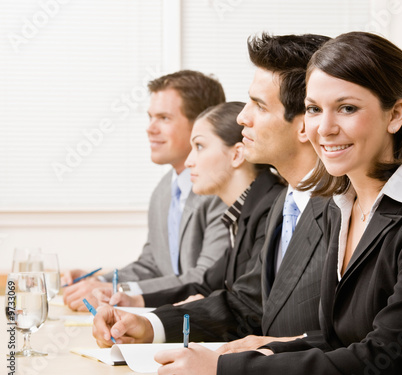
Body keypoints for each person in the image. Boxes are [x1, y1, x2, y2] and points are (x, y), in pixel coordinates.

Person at [152, 32, 402, 375]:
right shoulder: (342, 206)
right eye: (315, 109)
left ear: (394, 115)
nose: (325, 128)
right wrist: (266, 349)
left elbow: (382, 360)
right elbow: (340, 338)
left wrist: (224, 372)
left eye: (347, 108)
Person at [91, 33, 331, 348]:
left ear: (306, 121)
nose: (242, 117)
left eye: (258, 105)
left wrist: (258, 358)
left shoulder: (340, 207)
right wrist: (149, 324)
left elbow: (353, 339)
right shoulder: (283, 206)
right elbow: (246, 304)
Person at [62, 70, 229, 312]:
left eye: (164, 118)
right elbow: (152, 263)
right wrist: (100, 281)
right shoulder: (164, 191)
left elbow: (203, 277)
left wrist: (119, 291)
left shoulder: (222, 191)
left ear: (202, 124)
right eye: (150, 117)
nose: (150, 128)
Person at [91, 101, 285, 309]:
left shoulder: (268, 210)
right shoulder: (241, 214)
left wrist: (156, 323)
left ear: (237, 155)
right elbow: (204, 285)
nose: (190, 161)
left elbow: (245, 306)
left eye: (199, 147)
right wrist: (135, 301)